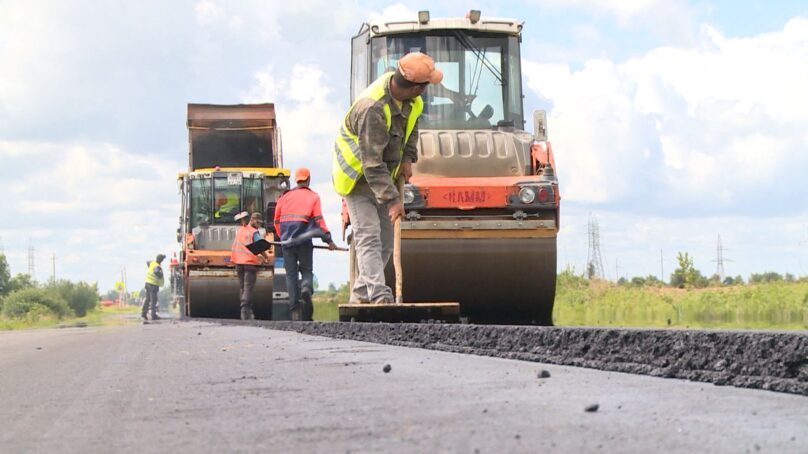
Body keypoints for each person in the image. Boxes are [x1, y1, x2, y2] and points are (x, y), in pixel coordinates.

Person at [332, 51, 442, 304]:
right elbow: (371, 164)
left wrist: (407, 159)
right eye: (426, 85)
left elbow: (412, 129)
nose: (426, 91)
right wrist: (393, 201)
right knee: (368, 236)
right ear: (416, 87)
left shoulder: (413, 102)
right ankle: (380, 296)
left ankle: (360, 296)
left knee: (386, 241)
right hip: (357, 178)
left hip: (384, 178)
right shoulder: (373, 108)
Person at [274, 167, 337, 321]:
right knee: (307, 270)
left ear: (297, 180)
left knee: (291, 275)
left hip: (287, 241)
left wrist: (283, 237)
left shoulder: (284, 197)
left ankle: (295, 309)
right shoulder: (314, 197)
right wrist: (328, 240)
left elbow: (276, 221)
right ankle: (306, 288)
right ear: (308, 180)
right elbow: (319, 221)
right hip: (304, 241)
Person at [230, 211, 270, 320]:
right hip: (249, 264)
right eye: (257, 222)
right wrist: (266, 257)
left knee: (242, 287)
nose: (258, 224)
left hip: (238, 263)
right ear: (251, 221)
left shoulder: (241, 230)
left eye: (259, 222)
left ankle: (245, 310)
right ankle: (245, 309)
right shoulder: (254, 232)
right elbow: (260, 246)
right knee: (248, 287)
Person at [141, 254, 166, 323]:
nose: (162, 261)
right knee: (153, 300)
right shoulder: (156, 266)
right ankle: (153, 315)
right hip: (152, 285)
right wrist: (160, 275)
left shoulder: (152, 263)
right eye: (162, 259)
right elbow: (156, 272)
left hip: (147, 283)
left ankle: (143, 313)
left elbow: (147, 262)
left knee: (147, 299)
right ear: (160, 260)